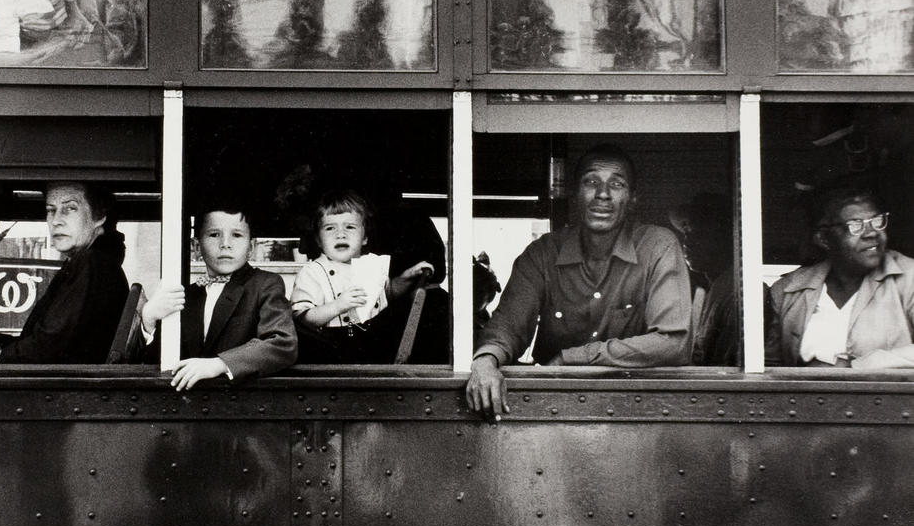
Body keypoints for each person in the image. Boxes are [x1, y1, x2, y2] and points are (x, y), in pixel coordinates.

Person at [466, 144, 692, 419]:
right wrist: (485, 362)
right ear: (575, 194)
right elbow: (508, 327)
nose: (603, 194)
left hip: (638, 409)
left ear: (633, 199)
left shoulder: (658, 247)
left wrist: (572, 358)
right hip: (554, 409)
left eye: (617, 184)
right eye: (591, 182)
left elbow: (672, 342)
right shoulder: (542, 254)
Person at [141, 202, 297, 390]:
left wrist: (219, 364)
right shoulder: (186, 296)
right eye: (214, 235)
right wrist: (149, 320)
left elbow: (282, 343)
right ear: (197, 247)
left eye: (237, 235)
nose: (225, 244)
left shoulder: (265, 284)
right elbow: (155, 363)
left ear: (251, 247)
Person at [0, 181, 129, 363]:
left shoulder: (91, 262)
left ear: (99, 216)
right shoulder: (97, 262)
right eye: (50, 210)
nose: (56, 221)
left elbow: (50, 343)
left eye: (70, 209)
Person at [766, 183, 914, 369]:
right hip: (807, 398)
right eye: (855, 225)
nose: (871, 234)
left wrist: (862, 366)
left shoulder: (909, 278)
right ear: (824, 239)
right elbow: (770, 366)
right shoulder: (789, 290)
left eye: (877, 221)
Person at [290, 189, 434, 363]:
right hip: (332, 345)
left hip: (372, 341)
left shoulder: (371, 264)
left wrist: (408, 276)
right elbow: (303, 317)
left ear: (364, 238)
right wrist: (338, 306)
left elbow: (387, 294)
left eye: (350, 227)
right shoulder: (313, 271)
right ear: (319, 240)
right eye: (330, 228)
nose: (340, 234)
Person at [669, 193, 738, 366]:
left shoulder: (737, 292)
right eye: (686, 232)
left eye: (700, 232)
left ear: (726, 237)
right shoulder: (708, 290)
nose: (687, 242)